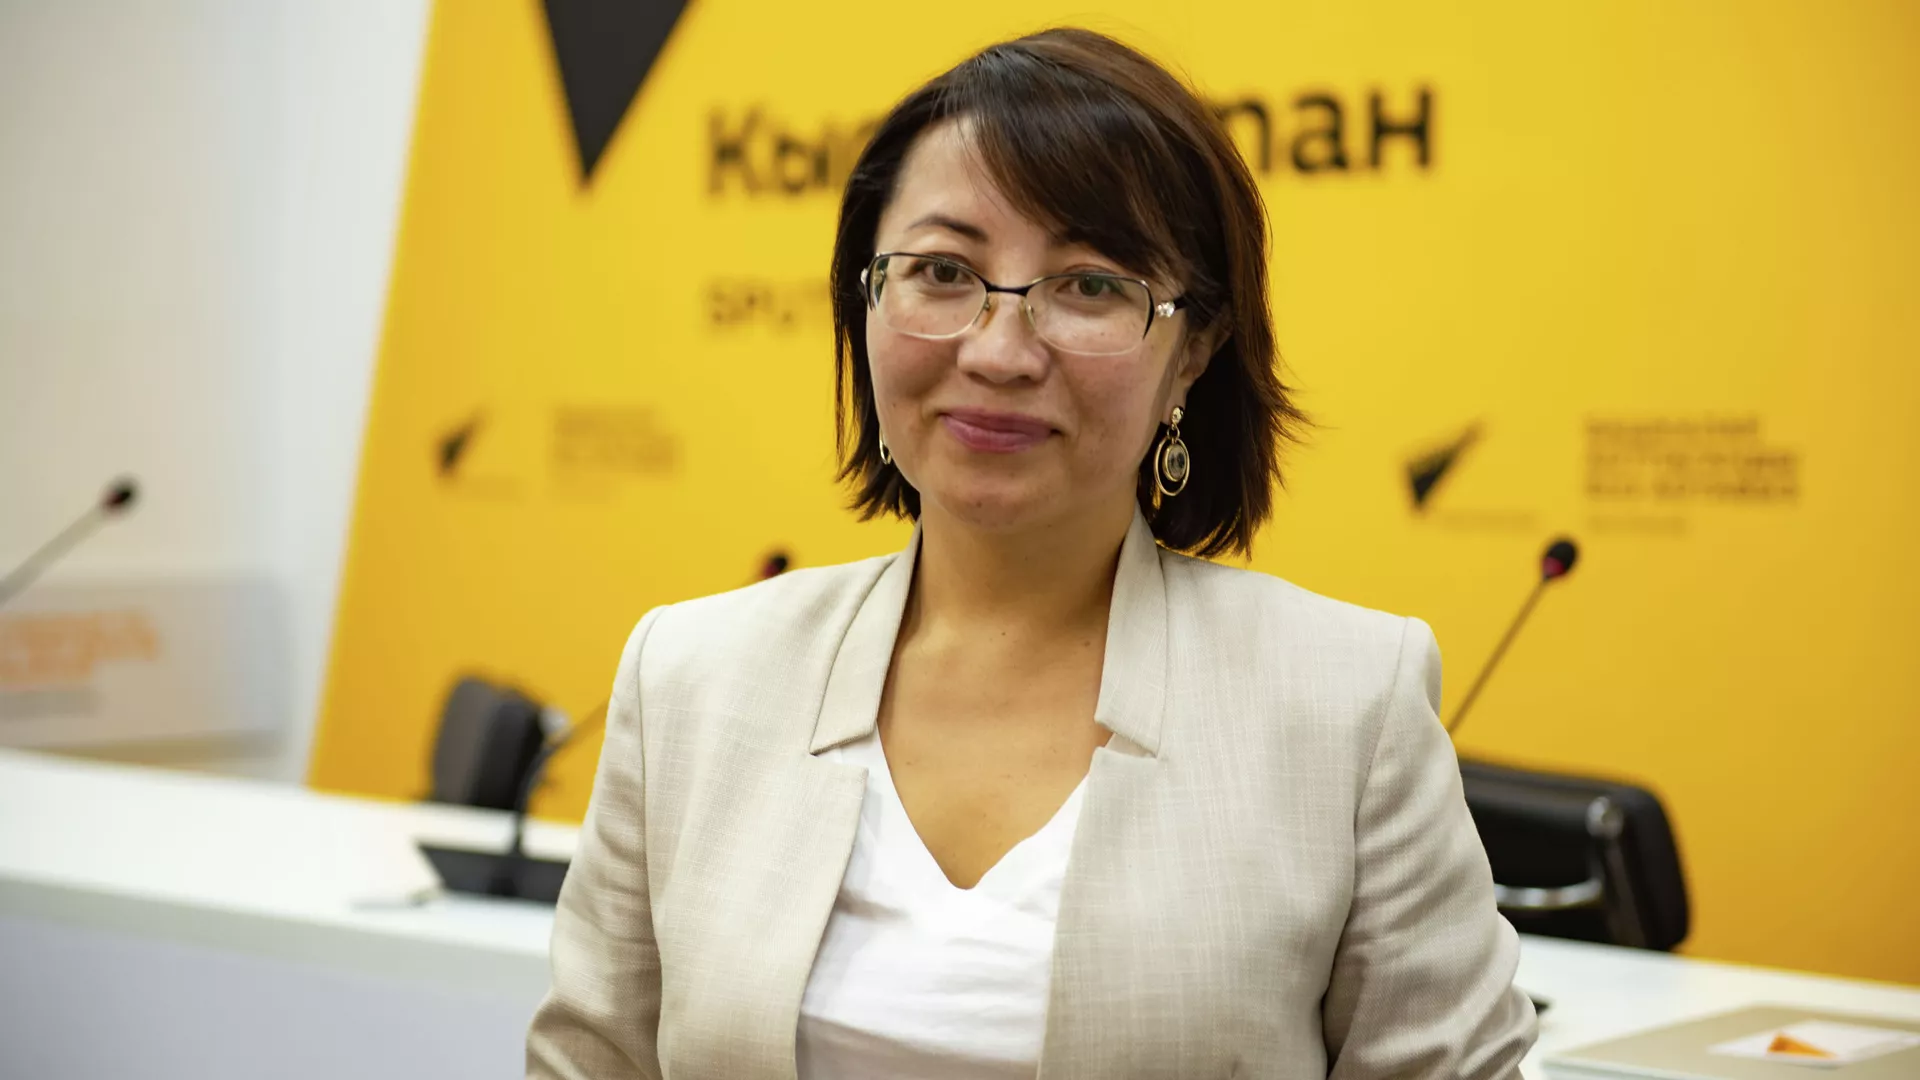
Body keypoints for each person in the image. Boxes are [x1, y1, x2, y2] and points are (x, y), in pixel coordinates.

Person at [527, 27, 1535, 1080]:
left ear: (1193, 351)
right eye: (942, 271)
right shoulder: (691, 676)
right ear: (865, 301)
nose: (1000, 351)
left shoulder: (1347, 704)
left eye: (1089, 286)